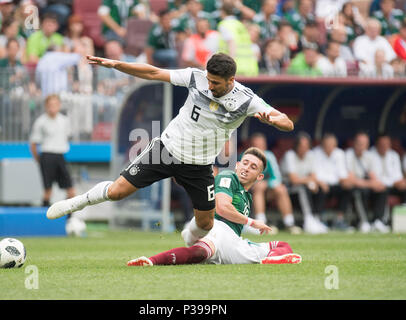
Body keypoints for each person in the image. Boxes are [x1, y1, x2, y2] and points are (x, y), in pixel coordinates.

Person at [47, 52, 293, 249]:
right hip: (167, 150)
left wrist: (272, 120)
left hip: (200, 165)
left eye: (215, 83)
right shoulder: (196, 77)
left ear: (231, 81)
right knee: (117, 191)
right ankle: (75, 204)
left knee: (206, 224)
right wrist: (116, 65)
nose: (209, 85)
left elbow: (287, 122)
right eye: (208, 79)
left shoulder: (247, 100)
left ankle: (189, 236)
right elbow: (153, 72)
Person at [127, 147, 302, 266]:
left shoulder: (247, 196)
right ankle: (152, 260)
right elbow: (222, 208)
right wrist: (252, 222)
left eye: (253, 167)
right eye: (245, 163)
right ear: (237, 165)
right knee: (200, 251)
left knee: (283, 245)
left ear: (259, 177)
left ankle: (271, 259)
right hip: (217, 229)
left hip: (232, 240)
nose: (247, 168)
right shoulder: (228, 177)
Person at [247, 133, 302, 234]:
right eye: (256, 145)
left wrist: (267, 184)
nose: (259, 148)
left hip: (267, 190)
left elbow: (276, 176)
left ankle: (289, 223)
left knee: (280, 189)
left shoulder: (269, 156)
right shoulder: (245, 157)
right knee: (259, 187)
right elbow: (244, 179)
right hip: (249, 192)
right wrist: (258, 183)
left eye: (261, 145)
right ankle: (261, 223)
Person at [29, 95, 76, 207]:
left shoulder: (64, 121)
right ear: (46, 106)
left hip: (60, 156)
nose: (53, 107)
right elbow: (33, 144)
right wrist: (39, 160)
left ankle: (68, 218)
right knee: (48, 191)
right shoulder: (41, 122)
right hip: (47, 156)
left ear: (59, 105)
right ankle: (45, 219)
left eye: (55, 104)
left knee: (71, 191)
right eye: (50, 105)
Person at [280, 131, 328, 234]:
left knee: (320, 188)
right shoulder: (290, 155)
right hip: (288, 188)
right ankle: (308, 219)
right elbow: (294, 180)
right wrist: (309, 181)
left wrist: (314, 182)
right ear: (296, 146)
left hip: (303, 186)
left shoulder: (310, 155)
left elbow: (314, 175)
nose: (304, 148)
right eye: (302, 146)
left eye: (306, 146)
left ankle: (316, 218)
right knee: (302, 188)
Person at [345, 131, 389, 233]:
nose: (361, 146)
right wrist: (369, 184)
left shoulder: (369, 156)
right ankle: (364, 222)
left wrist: (374, 184)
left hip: (365, 185)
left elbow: (374, 177)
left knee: (382, 189)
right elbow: (351, 179)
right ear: (354, 143)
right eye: (359, 143)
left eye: (364, 144)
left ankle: (378, 221)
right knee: (359, 191)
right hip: (354, 188)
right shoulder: (348, 155)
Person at [312, 133, 354, 230]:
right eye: (327, 144)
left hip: (335, 184)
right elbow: (313, 174)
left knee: (347, 189)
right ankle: (318, 220)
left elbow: (342, 175)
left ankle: (339, 219)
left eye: (332, 145)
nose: (329, 147)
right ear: (322, 144)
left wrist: (348, 181)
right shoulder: (315, 153)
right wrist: (321, 183)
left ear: (335, 145)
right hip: (320, 184)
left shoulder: (339, 154)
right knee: (320, 190)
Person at [217, 2, 259, 76]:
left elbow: (232, 43)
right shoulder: (239, 24)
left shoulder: (225, 24)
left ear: (222, 11)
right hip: (250, 68)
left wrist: (230, 66)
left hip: (236, 69)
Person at [370, 134, 406, 214]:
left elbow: (397, 176)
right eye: (382, 144)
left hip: (392, 185)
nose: (384, 146)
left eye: (387, 144)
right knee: (382, 190)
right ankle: (378, 219)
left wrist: (400, 182)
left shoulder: (394, 155)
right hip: (377, 187)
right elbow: (374, 177)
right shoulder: (370, 155)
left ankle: (402, 215)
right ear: (377, 144)